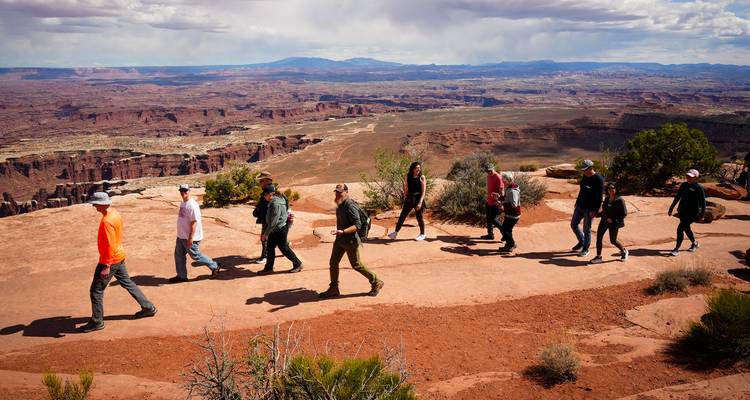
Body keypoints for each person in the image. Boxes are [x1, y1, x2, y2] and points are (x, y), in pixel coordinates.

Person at [79, 192, 157, 332]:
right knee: (128, 283)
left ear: (102, 204)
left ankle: (97, 321)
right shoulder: (114, 213)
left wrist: (107, 265)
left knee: (96, 291)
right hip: (119, 256)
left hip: (110, 260)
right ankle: (148, 307)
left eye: (95, 203)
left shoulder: (106, 221)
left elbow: (109, 244)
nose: (94, 206)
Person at [319, 184, 384, 298]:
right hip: (340, 240)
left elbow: (357, 225)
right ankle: (334, 288)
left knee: (356, 265)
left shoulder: (350, 205)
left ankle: (376, 281)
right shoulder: (340, 204)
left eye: (340, 192)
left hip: (350, 241)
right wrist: (340, 233)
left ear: (346, 192)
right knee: (333, 263)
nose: (338, 194)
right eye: (336, 192)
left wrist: (343, 231)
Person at [169, 184, 221, 283]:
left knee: (195, 255)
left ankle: (215, 266)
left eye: (185, 190)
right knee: (179, 255)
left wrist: (190, 238)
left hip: (190, 237)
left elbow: (194, 222)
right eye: (181, 191)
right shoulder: (183, 203)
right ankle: (182, 276)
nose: (183, 192)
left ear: (189, 191)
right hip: (181, 236)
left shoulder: (192, 205)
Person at [258, 184, 303, 274]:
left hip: (279, 229)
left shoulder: (275, 204)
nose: (263, 196)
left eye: (265, 194)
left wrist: (266, 234)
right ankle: (269, 268)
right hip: (276, 228)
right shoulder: (277, 199)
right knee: (270, 247)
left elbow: (273, 222)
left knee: (284, 248)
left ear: (271, 194)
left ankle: (298, 264)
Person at [668, 169, 706, 257]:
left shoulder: (698, 188)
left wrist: (702, 215)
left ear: (696, 178)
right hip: (682, 211)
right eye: (687, 176)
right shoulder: (684, 185)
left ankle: (676, 248)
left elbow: (703, 203)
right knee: (686, 228)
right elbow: (677, 197)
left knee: (680, 228)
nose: (688, 178)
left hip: (692, 213)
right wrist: (671, 208)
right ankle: (695, 243)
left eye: (691, 177)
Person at [570, 160, 604, 257]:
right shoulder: (585, 177)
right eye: (583, 170)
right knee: (573, 224)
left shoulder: (598, 180)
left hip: (590, 209)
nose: (583, 172)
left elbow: (599, 197)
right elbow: (582, 190)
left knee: (586, 229)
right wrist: (577, 201)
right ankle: (582, 241)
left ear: (590, 168)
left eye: (585, 170)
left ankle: (585, 249)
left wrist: (595, 210)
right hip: (580, 206)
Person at [388, 161, 427, 241]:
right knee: (402, 216)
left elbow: (423, 191)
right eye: (417, 168)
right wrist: (405, 198)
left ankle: (422, 234)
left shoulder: (422, 177)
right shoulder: (408, 176)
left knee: (419, 217)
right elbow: (406, 188)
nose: (418, 169)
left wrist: (420, 202)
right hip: (409, 198)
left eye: (419, 168)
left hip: (418, 199)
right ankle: (395, 232)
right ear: (413, 168)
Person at [590, 183, 628, 264]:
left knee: (613, 240)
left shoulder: (620, 200)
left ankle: (623, 251)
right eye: (609, 188)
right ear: (607, 190)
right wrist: (596, 215)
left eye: (613, 188)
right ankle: (598, 257)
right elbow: (604, 211)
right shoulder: (607, 199)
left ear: (616, 189)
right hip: (604, 221)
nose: (611, 190)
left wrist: (613, 219)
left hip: (614, 223)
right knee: (599, 238)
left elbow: (624, 213)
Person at [251, 171, 274, 264]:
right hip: (268, 217)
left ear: (266, 180)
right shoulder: (269, 189)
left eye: (261, 181)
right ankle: (285, 244)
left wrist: (257, 210)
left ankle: (265, 256)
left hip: (267, 218)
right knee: (274, 235)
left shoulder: (269, 190)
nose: (259, 183)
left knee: (264, 237)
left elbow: (266, 205)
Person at [480, 162, 504, 240]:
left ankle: (505, 233)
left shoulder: (498, 177)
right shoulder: (488, 176)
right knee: (488, 218)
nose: (488, 172)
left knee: (493, 219)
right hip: (489, 200)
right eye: (487, 171)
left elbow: (501, 190)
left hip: (495, 202)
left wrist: (501, 202)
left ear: (493, 168)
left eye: (490, 170)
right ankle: (490, 234)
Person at [497, 172, 521, 253]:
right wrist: (499, 197)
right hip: (510, 213)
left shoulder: (512, 190)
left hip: (513, 214)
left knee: (505, 230)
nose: (502, 181)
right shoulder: (509, 188)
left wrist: (503, 204)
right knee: (507, 230)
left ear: (507, 180)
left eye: (503, 180)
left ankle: (511, 244)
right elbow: (507, 198)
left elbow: (513, 204)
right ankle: (509, 244)